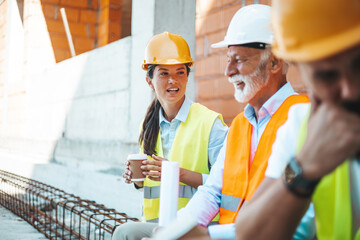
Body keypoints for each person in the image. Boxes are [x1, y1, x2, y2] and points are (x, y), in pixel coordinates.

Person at [153, 4, 315, 239]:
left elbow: (296, 223)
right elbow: (212, 193)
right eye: (228, 60)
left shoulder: (302, 119)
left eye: (238, 60)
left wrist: (209, 237)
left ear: (274, 63)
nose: (228, 71)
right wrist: (175, 231)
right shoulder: (240, 125)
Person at [235, 0, 360, 239]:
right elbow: (250, 233)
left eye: (359, 64)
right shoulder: (302, 125)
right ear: (297, 67)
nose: (350, 90)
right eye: (327, 75)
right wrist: (302, 169)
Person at [112, 32, 228, 240]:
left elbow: (227, 186)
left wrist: (177, 174)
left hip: (198, 226)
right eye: (164, 73)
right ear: (149, 80)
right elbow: (149, 182)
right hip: (158, 225)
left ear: (187, 76)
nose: (173, 80)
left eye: (180, 72)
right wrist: (137, 178)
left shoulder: (210, 124)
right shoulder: (147, 125)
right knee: (124, 233)